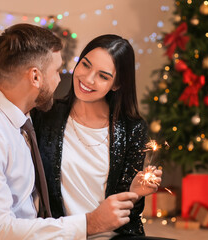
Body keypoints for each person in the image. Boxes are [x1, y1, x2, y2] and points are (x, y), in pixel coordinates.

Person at [0, 25, 139, 240]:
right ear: (35, 77)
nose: (60, 79)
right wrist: (89, 224)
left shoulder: (22, 121)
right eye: (56, 71)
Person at [31, 34, 163, 239]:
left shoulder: (132, 129)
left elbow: (129, 216)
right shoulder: (45, 114)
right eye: (85, 65)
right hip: (62, 234)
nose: (88, 79)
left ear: (117, 84)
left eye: (103, 76)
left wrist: (135, 192)